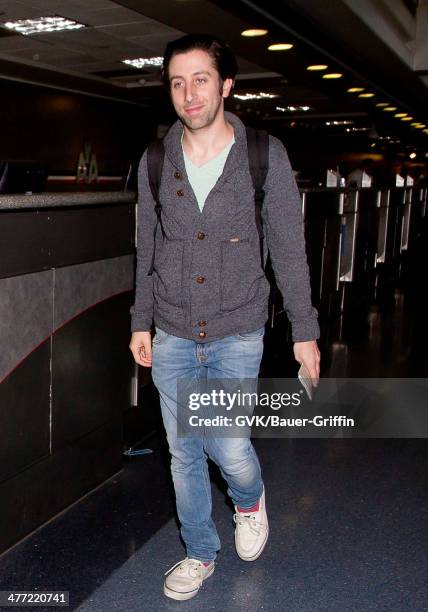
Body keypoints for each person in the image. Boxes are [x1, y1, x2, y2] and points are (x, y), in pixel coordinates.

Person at [129, 33, 320, 601]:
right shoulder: (157, 160)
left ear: (227, 85)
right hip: (174, 331)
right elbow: (148, 246)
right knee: (184, 451)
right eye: (178, 82)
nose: (189, 94)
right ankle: (199, 552)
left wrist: (305, 333)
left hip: (238, 327)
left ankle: (249, 499)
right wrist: (142, 319)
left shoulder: (265, 154)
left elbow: (288, 246)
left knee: (230, 446)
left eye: (201, 79)